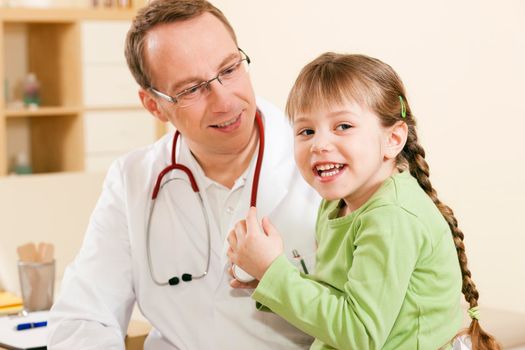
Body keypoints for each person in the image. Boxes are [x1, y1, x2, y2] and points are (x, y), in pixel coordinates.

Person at [47, 1, 320, 349]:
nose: (224, 101)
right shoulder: (133, 179)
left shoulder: (326, 163)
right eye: (192, 89)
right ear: (153, 105)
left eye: (230, 69)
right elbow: (82, 317)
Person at [227, 53, 501, 350]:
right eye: (306, 131)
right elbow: (340, 297)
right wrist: (269, 277)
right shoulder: (337, 205)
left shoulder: (391, 217)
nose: (319, 144)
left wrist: (273, 273)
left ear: (393, 140)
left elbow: (360, 335)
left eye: (343, 126)